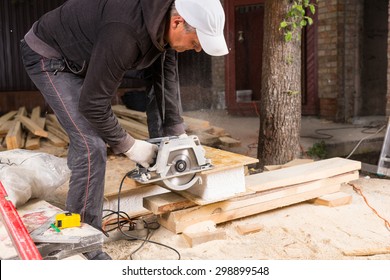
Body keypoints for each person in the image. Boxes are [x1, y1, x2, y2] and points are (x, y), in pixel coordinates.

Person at [20, 0, 228, 260]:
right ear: (177, 23)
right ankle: (85, 246)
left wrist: (177, 136)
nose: (197, 49)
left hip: (85, 53)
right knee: (91, 144)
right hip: (50, 56)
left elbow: (164, 80)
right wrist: (130, 146)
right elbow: (93, 104)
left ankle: (78, 208)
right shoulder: (125, 32)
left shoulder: (164, 23)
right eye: (197, 42)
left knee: (87, 139)